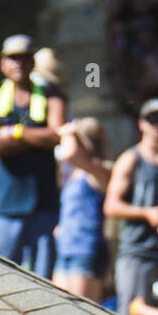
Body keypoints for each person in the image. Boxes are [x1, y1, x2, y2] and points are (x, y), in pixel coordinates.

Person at [0, 35, 65, 276]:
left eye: (24, 58)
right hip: (4, 207)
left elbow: (57, 136)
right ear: (3, 64)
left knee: (43, 284)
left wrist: (15, 133)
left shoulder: (52, 96)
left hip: (43, 206)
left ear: (32, 62)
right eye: (12, 58)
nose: (18, 64)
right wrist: (36, 139)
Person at [106, 97, 158, 315]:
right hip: (137, 252)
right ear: (142, 123)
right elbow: (111, 206)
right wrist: (146, 214)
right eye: (152, 120)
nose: (157, 126)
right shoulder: (131, 159)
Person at [53, 118, 112, 300]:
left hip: (87, 250)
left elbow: (70, 154)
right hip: (65, 249)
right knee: (62, 311)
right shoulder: (72, 174)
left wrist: (66, 131)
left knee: (82, 310)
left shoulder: (101, 171)